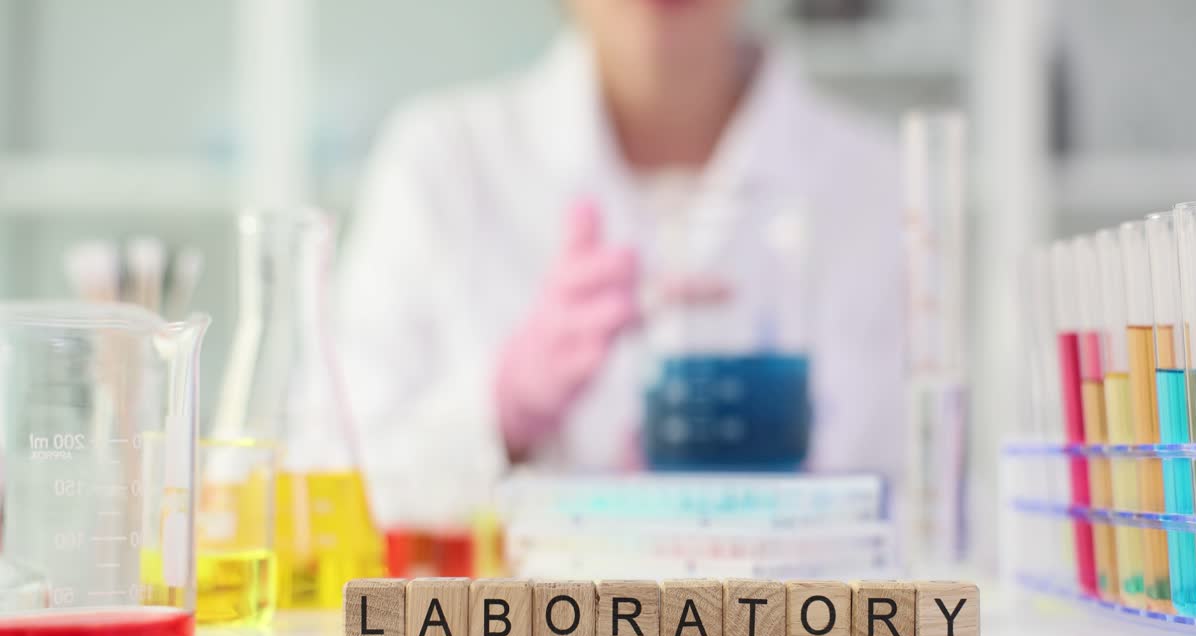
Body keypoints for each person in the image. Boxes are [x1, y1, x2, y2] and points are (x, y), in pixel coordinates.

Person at [338, 0, 904, 527]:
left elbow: (932, 517)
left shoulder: (881, 188)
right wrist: (502, 411)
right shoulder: (442, 162)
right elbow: (328, 484)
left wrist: (798, 516)